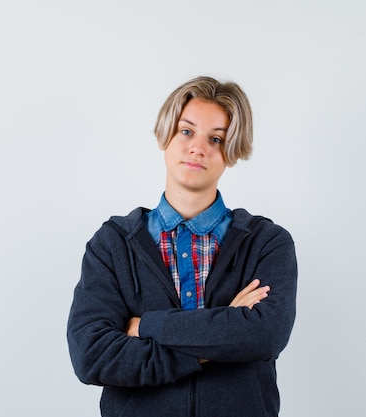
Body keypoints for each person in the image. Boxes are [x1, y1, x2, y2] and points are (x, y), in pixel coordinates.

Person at [67, 75, 298, 417]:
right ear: (166, 135)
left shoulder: (266, 243)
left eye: (216, 139)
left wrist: (145, 326)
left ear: (231, 152)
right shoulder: (113, 243)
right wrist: (224, 333)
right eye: (186, 131)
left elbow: (264, 336)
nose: (198, 148)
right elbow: (92, 357)